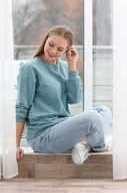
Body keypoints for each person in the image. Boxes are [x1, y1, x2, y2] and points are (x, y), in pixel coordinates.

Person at [15, 25, 112, 165]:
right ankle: (99, 145)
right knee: (93, 118)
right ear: (46, 40)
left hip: (62, 128)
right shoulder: (30, 68)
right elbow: (22, 108)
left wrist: (72, 66)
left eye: (60, 49)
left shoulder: (65, 68)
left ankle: (84, 145)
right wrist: (16, 145)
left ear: (66, 50)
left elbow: (75, 99)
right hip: (42, 136)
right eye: (51, 45)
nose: (53, 51)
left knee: (104, 111)